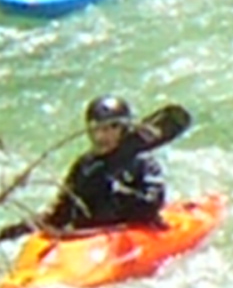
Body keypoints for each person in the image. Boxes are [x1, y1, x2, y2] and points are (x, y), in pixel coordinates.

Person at [35, 94, 170, 234]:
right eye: (97, 128)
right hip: (92, 235)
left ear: (124, 129)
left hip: (128, 229)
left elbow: (152, 204)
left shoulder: (141, 161)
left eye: (112, 128)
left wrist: (120, 193)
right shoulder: (85, 166)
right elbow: (62, 210)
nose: (102, 136)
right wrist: (33, 224)